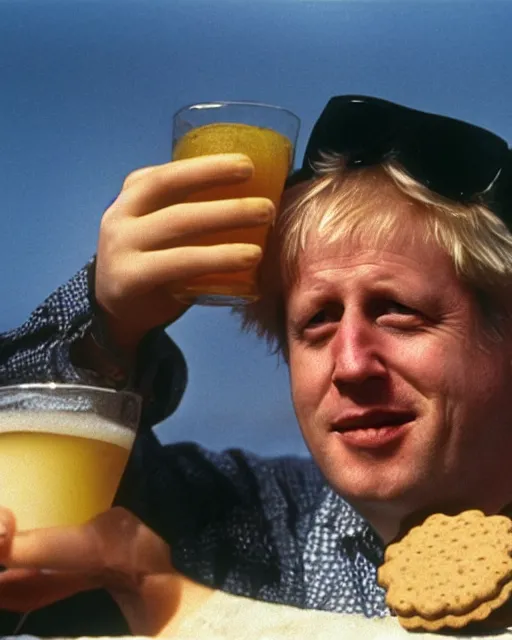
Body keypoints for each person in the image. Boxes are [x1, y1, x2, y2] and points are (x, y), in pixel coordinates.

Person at [1, 95, 512, 637]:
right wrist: (105, 331)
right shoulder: (247, 528)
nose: (351, 363)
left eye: (398, 311)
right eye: (317, 321)